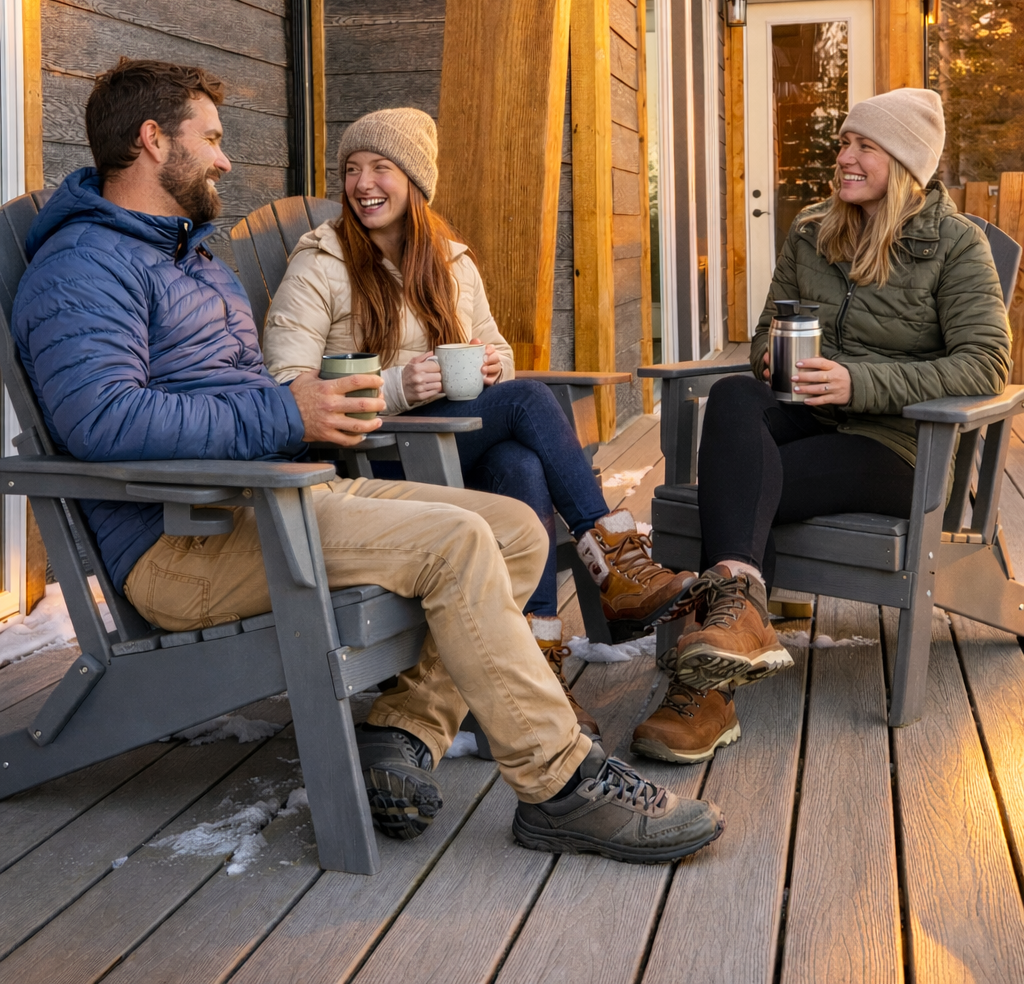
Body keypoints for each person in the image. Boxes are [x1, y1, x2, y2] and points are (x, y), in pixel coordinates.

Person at [12, 58, 724, 864]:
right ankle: (561, 785)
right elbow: (104, 421)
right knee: (458, 544)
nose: (224, 159)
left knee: (519, 530)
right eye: (210, 138)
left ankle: (405, 729)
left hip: (272, 503)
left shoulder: (189, 258)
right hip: (183, 545)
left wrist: (306, 425)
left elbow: (243, 400)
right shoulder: (84, 266)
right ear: (151, 140)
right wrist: (289, 410)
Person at [261, 108, 693, 730]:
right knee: (527, 404)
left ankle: (536, 670)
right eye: (352, 169)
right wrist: (396, 385)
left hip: (452, 441)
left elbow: (500, 351)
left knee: (518, 461)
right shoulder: (320, 263)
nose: (362, 183)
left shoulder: (452, 262)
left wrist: (492, 365)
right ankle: (616, 560)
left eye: (381, 167)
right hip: (375, 454)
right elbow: (288, 385)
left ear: (415, 181)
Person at [631, 88, 1011, 767]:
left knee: (746, 490)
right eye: (845, 142)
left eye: (864, 145)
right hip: (811, 417)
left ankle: (702, 695)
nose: (845, 157)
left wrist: (858, 381)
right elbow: (757, 346)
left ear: (904, 161)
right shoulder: (813, 230)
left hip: (898, 448)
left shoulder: (956, 246)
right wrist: (787, 362)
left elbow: (986, 364)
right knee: (734, 398)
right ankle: (741, 610)